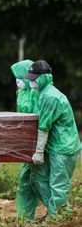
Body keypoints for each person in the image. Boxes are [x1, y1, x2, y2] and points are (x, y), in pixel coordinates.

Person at [25, 59, 81, 217]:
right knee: (37, 177)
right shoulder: (42, 94)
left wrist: (39, 151)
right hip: (53, 145)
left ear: (43, 77)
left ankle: (57, 218)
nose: (31, 83)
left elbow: (44, 126)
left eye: (34, 79)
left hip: (63, 147)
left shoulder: (51, 96)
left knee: (58, 184)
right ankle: (56, 212)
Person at [11, 60, 50, 220]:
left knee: (39, 180)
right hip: (26, 143)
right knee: (25, 181)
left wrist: (39, 148)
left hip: (38, 142)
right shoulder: (21, 93)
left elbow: (41, 121)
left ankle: (57, 210)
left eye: (19, 77)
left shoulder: (37, 94)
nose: (17, 81)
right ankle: (25, 217)